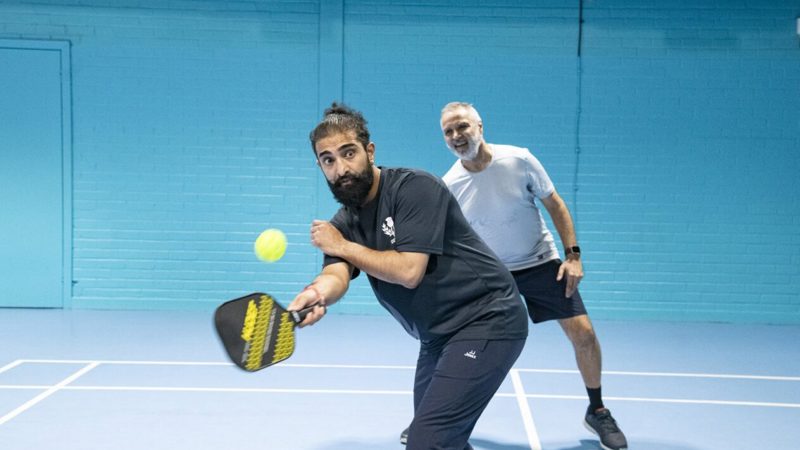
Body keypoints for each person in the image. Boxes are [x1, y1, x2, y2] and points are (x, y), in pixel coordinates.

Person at [287, 103, 529, 450]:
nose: (341, 169)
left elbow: (408, 271)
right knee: (445, 440)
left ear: (369, 152)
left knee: (426, 441)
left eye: (348, 153)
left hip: (488, 320)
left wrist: (342, 245)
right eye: (328, 160)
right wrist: (316, 293)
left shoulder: (414, 189)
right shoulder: (344, 224)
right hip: (437, 336)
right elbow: (336, 272)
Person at [436, 102, 628, 450]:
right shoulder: (450, 184)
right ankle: (438, 417)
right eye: (448, 132)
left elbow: (554, 204)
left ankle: (597, 410)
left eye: (462, 126)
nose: (456, 136)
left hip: (540, 262)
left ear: (479, 125)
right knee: (460, 347)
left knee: (583, 333)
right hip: (492, 275)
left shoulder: (519, 159)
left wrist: (573, 256)